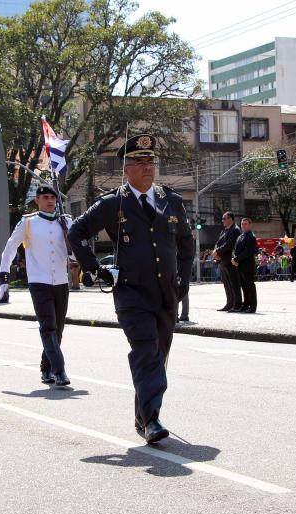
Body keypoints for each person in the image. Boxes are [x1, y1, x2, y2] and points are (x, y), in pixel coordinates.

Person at [68, 134, 193, 444]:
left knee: (158, 355)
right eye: (139, 162)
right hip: (131, 292)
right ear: (126, 169)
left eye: (150, 162)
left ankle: (144, 416)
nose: (147, 167)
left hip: (166, 292)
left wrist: (184, 280)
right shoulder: (113, 203)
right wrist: (95, 269)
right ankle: (151, 420)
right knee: (146, 349)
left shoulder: (171, 200)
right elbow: (77, 231)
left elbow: (186, 243)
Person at [0, 185, 74, 387]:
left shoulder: (65, 221)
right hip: (38, 281)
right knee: (48, 327)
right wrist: (4, 276)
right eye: (46, 197)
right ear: (37, 200)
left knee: (58, 329)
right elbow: (10, 246)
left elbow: (74, 251)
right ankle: (59, 370)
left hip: (60, 281)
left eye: (53, 197)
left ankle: (45, 367)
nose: (50, 200)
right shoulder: (28, 222)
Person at [213, 211, 240, 311]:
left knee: (234, 283)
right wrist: (216, 252)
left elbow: (229, 245)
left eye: (224, 218)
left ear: (230, 219)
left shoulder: (235, 230)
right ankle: (229, 303)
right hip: (223, 260)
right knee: (226, 284)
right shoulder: (224, 230)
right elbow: (218, 243)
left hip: (230, 260)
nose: (222, 220)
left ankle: (237, 304)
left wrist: (218, 252)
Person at [232, 217, 258, 313]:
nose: (243, 225)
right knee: (243, 286)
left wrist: (236, 259)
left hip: (247, 265)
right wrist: (234, 258)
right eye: (242, 224)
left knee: (250, 286)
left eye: (246, 224)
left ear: (250, 225)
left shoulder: (251, 236)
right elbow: (235, 249)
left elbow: (248, 252)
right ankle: (246, 305)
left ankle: (252, 306)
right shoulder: (240, 236)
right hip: (239, 265)